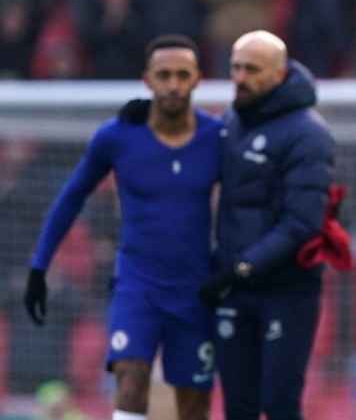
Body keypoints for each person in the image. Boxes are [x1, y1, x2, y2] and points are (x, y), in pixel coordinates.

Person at [23, 35, 222, 420]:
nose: (174, 84)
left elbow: (248, 198)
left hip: (195, 289)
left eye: (183, 75)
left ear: (198, 79)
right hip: (138, 284)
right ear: (147, 80)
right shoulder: (117, 137)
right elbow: (71, 197)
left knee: (193, 404)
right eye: (164, 75)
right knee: (131, 379)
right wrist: (39, 266)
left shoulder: (217, 138)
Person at [198, 30, 335, 420]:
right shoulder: (232, 122)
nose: (240, 78)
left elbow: (302, 222)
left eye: (252, 69)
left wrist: (241, 268)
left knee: (279, 404)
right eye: (236, 68)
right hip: (236, 289)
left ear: (279, 74)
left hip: (287, 290)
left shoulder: (309, 133)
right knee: (238, 407)